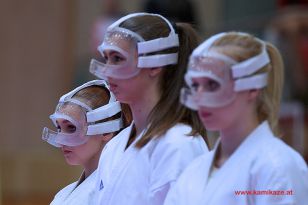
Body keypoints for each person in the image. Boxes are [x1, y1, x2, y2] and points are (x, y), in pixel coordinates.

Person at [164, 32, 308, 205]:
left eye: (212, 84)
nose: (199, 97)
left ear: (253, 88)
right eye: (195, 85)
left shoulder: (277, 166)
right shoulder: (195, 170)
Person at [89, 12, 209, 205]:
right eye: (106, 58)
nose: (107, 70)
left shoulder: (178, 144)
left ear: (155, 65)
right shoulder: (114, 146)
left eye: (117, 58)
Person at [42, 80, 131, 205]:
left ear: (105, 131)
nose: (60, 140)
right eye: (59, 128)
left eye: (71, 128)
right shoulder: (63, 194)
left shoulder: (117, 192)